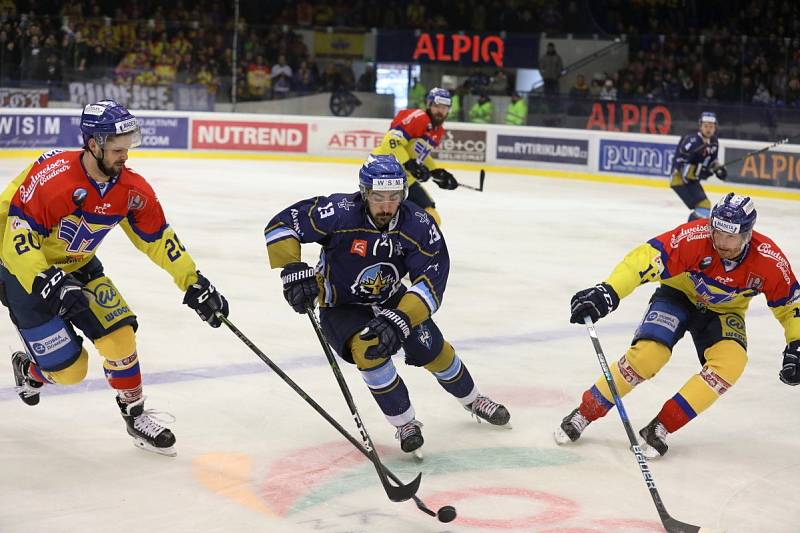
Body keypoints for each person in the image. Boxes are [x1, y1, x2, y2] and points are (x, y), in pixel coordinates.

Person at [0, 100, 229, 457]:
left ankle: (135, 416)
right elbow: (17, 241)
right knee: (72, 372)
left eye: (128, 147)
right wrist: (47, 279)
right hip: (24, 271)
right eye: (118, 149)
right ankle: (31, 371)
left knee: (120, 338)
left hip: (78, 266)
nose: (126, 156)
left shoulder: (131, 189)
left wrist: (193, 281)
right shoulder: (54, 179)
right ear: (93, 144)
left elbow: (158, 240)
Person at [264, 154, 510, 455]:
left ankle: (473, 399)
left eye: (394, 197)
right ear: (364, 193)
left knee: (434, 350)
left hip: (392, 299)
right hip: (340, 304)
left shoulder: (418, 224)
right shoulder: (339, 212)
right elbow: (282, 225)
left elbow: (432, 282)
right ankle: (405, 423)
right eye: (378, 197)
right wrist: (292, 269)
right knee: (369, 349)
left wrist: (402, 317)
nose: (386, 206)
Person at [555, 193, 800, 458]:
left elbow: (791, 306)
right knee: (649, 356)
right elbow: (644, 259)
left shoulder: (769, 261)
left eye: (731, 237)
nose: (722, 243)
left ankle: (661, 427)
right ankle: (585, 412)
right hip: (676, 297)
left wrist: (796, 342)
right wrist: (608, 292)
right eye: (718, 233)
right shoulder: (693, 238)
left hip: (723, 312)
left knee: (731, 363)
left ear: (748, 235)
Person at [374, 87, 459, 226]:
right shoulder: (419, 118)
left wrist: (435, 171)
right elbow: (390, 142)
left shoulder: (438, 131)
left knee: (431, 218)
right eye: (437, 106)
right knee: (388, 221)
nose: (440, 111)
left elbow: (420, 155)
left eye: (445, 107)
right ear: (429, 105)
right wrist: (409, 164)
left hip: (406, 180)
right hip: (384, 173)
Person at [669, 112, 727, 221]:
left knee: (704, 206)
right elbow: (681, 166)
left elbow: (713, 161)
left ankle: (690, 233)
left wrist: (718, 169)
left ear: (715, 128)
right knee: (703, 205)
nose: (708, 129)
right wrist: (702, 171)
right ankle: (689, 234)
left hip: (692, 179)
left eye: (711, 126)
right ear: (700, 126)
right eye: (705, 126)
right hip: (679, 179)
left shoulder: (714, 141)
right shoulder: (691, 141)